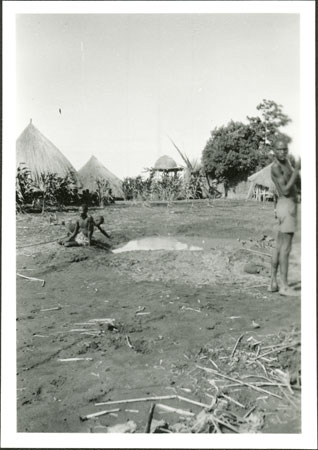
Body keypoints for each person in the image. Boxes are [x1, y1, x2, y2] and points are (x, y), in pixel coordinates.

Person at [268, 140, 301, 296]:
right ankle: (284, 286)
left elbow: (295, 184)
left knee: (279, 245)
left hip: (284, 206)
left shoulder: (286, 163)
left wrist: (294, 171)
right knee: (285, 248)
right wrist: (296, 171)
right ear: (274, 150)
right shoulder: (276, 167)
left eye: (284, 149)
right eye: (279, 149)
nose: (282, 152)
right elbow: (286, 190)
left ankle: (273, 283)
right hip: (286, 205)